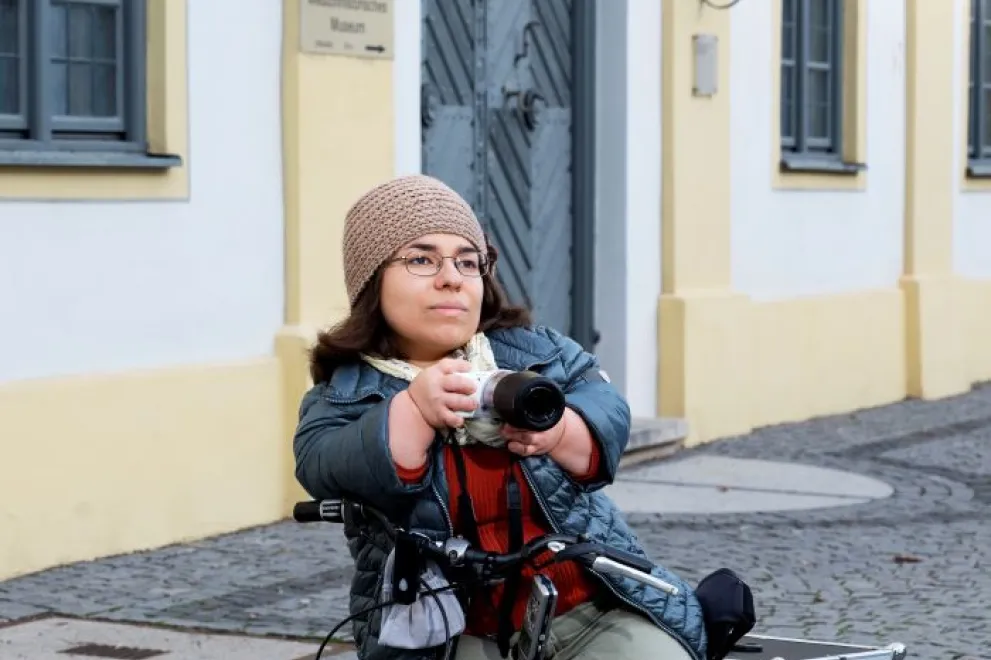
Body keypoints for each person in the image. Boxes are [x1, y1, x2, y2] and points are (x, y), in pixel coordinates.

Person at [293, 174, 707, 660]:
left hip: (587, 605)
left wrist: (559, 431)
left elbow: (607, 411)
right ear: (371, 282)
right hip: (445, 632)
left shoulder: (538, 350)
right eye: (422, 259)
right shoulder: (345, 391)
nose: (451, 278)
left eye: (467, 261)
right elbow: (323, 464)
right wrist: (414, 410)